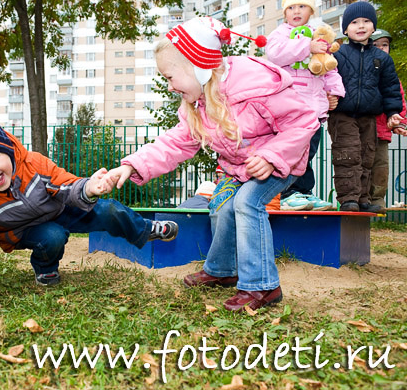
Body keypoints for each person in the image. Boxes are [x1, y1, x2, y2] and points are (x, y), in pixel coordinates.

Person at [103, 17, 319, 312]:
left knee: (246, 203)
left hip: (279, 162)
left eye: (170, 77)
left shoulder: (255, 87)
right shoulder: (197, 104)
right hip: (237, 166)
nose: (169, 86)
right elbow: (175, 143)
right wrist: (131, 165)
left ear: (198, 66)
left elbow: (303, 121)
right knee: (221, 204)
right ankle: (222, 270)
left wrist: (272, 157)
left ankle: (263, 286)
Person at [0, 114, 178, 299]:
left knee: (109, 210)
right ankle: (45, 268)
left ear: (8, 150)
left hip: (61, 209)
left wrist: (88, 188)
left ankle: (144, 230)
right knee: (52, 236)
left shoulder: (34, 163)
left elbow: (63, 183)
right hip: (25, 230)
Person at [265, 0, 345, 211]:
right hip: (290, 107)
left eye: (302, 7)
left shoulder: (318, 35)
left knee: (308, 153)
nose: (296, 11)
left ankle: (304, 193)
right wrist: (306, 48)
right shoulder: (280, 33)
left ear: (311, 11)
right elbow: (275, 54)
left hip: (314, 108)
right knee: (292, 152)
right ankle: (287, 193)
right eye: (291, 8)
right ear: (284, 14)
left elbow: (330, 67)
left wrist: (334, 93)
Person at [329, 1, 403, 212]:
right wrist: (326, 98)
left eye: (366, 21)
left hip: (369, 116)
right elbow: (327, 79)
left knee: (366, 156)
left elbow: (390, 88)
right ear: (345, 29)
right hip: (342, 114)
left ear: (373, 27)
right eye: (354, 22)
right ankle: (348, 198)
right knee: (347, 155)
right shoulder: (339, 54)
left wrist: (393, 112)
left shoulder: (381, 59)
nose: (360, 26)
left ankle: (363, 198)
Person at [368, 29, 407, 212]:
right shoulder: (363, 70)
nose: (381, 48)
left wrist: (400, 121)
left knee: (380, 166)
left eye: (385, 44)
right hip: (362, 129)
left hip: (382, 130)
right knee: (360, 165)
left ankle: (377, 199)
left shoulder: (390, 75)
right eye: (376, 45)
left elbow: (398, 98)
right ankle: (361, 198)